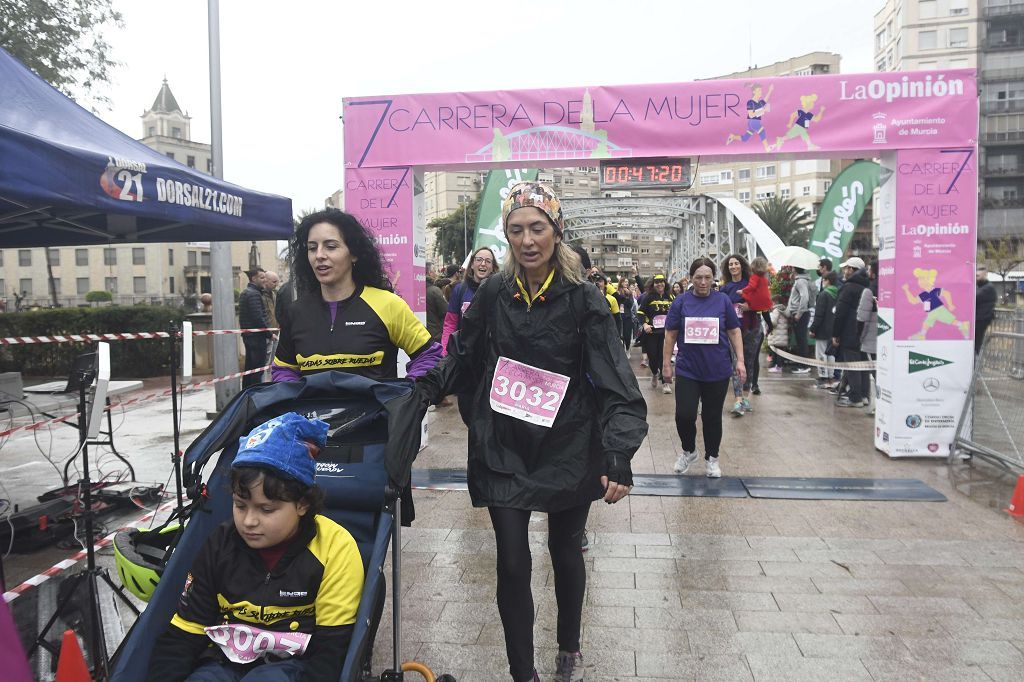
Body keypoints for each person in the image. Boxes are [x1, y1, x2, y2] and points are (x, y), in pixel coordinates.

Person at [416, 182, 647, 682]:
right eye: (516, 229)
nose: (527, 240)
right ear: (506, 235)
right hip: (505, 444)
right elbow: (463, 351)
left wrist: (618, 452)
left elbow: (615, 380)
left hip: (567, 441)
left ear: (556, 232)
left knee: (565, 551)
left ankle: (569, 645)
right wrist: (421, 390)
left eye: (537, 228)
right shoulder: (496, 290)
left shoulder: (584, 299)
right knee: (513, 562)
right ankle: (524, 672)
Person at [147, 413, 364, 682]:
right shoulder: (220, 544)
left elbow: (334, 648)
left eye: (266, 509)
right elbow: (185, 633)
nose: (249, 521)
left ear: (302, 504)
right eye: (240, 505)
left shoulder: (335, 547)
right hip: (221, 659)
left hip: (294, 665)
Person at [272, 209, 441, 382]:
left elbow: (429, 357)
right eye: (312, 248)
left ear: (353, 253)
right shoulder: (296, 312)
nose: (319, 255)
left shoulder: (388, 304)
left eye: (331, 246)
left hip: (380, 410)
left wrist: (406, 397)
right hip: (311, 410)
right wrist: (291, 402)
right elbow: (283, 369)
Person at [663, 257, 745, 478]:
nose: (703, 282)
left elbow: (734, 331)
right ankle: (689, 450)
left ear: (713, 278)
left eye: (707, 277)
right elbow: (670, 334)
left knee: (712, 416)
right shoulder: (680, 302)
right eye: (698, 277)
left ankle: (712, 458)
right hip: (688, 369)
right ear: (691, 278)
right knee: (684, 415)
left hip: (717, 370)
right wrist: (666, 365)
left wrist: (740, 360)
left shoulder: (723, 301)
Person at [442, 246, 499, 425]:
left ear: (493, 267)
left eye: (488, 261)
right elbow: (450, 323)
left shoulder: (500, 289)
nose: (483, 264)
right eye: (479, 260)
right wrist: (446, 352)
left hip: (491, 364)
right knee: (468, 413)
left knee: (489, 417)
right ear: (472, 265)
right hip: (466, 363)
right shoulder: (459, 290)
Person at [832, 257, 870, 408]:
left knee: (852, 364)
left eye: (846, 268)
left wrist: (836, 334)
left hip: (849, 330)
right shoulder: (867, 287)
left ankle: (855, 398)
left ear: (852, 270)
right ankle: (864, 396)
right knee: (863, 363)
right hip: (864, 331)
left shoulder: (849, 287)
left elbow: (840, 312)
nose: (844, 271)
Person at [638, 274, 674, 394]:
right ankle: (654, 373)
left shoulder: (670, 297)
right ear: (653, 284)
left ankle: (665, 383)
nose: (660, 284)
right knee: (653, 357)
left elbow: (676, 312)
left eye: (662, 281)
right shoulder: (648, 297)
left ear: (665, 283)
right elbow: (640, 313)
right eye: (657, 282)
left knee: (664, 357)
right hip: (652, 333)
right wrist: (645, 325)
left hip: (666, 333)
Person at [238, 268, 270, 389]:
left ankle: (247, 392)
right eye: (262, 277)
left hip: (250, 336)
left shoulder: (248, 292)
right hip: (256, 337)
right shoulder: (253, 294)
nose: (264, 280)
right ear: (253, 279)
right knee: (256, 369)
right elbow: (258, 317)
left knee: (250, 368)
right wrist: (269, 333)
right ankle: (255, 393)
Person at [810, 270, 839, 389]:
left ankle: (823, 377)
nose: (823, 282)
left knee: (821, 354)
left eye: (824, 280)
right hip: (833, 328)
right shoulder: (838, 293)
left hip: (822, 329)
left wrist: (813, 328)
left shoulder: (824, 295)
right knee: (831, 353)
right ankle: (831, 376)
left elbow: (819, 314)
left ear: (827, 281)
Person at [857, 261, 879, 415]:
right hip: (889, 340)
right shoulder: (893, 288)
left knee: (876, 375)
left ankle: (877, 407)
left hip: (871, 339)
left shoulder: (869, 292)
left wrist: (859, 336)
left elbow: (862, 318)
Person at [786, 266, 814, 374]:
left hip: (800, 314)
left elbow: (804, 297)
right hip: (801, 313)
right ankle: (802, 364)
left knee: (801, 340)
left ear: (795, 269)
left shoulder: (801, 281)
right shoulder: (801, 280)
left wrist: (798, 314)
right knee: (800, 340)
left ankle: (803, 365)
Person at [975, 265, 998, 355]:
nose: (976, 278)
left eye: (978, 276)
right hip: (979, 318)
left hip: (982, 319)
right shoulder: (980, 287)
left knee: (977, 343)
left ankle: (976, 361)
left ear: (985, 275)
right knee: (976, 342)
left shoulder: (988, 288)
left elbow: (975, 297)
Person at [766, 295, 790, 372]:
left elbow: (774, 322)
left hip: (777, 334)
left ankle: (777, 367)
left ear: (775, 302)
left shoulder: (776, 310)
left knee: (776, 351)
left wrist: (767, 320)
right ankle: (779, 366)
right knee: (780, 352)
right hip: (781, 335)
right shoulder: (784, 309)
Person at [613, 275, 636, 357]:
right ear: (621, 282)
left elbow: (631, 305)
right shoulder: (617, 292)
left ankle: (627, 349)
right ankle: (621, 351)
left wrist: (627, 295)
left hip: (627, 316)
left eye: (627, 282)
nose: (626, 283)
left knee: (627, 334)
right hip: (618, 315)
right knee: (619, 335)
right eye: (625, 281)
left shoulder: (629, 293)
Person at [425, 273, 448, 344]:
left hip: (425, 331)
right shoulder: (435, 291)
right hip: (436, 331)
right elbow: (445, 311)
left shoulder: (419, 291)